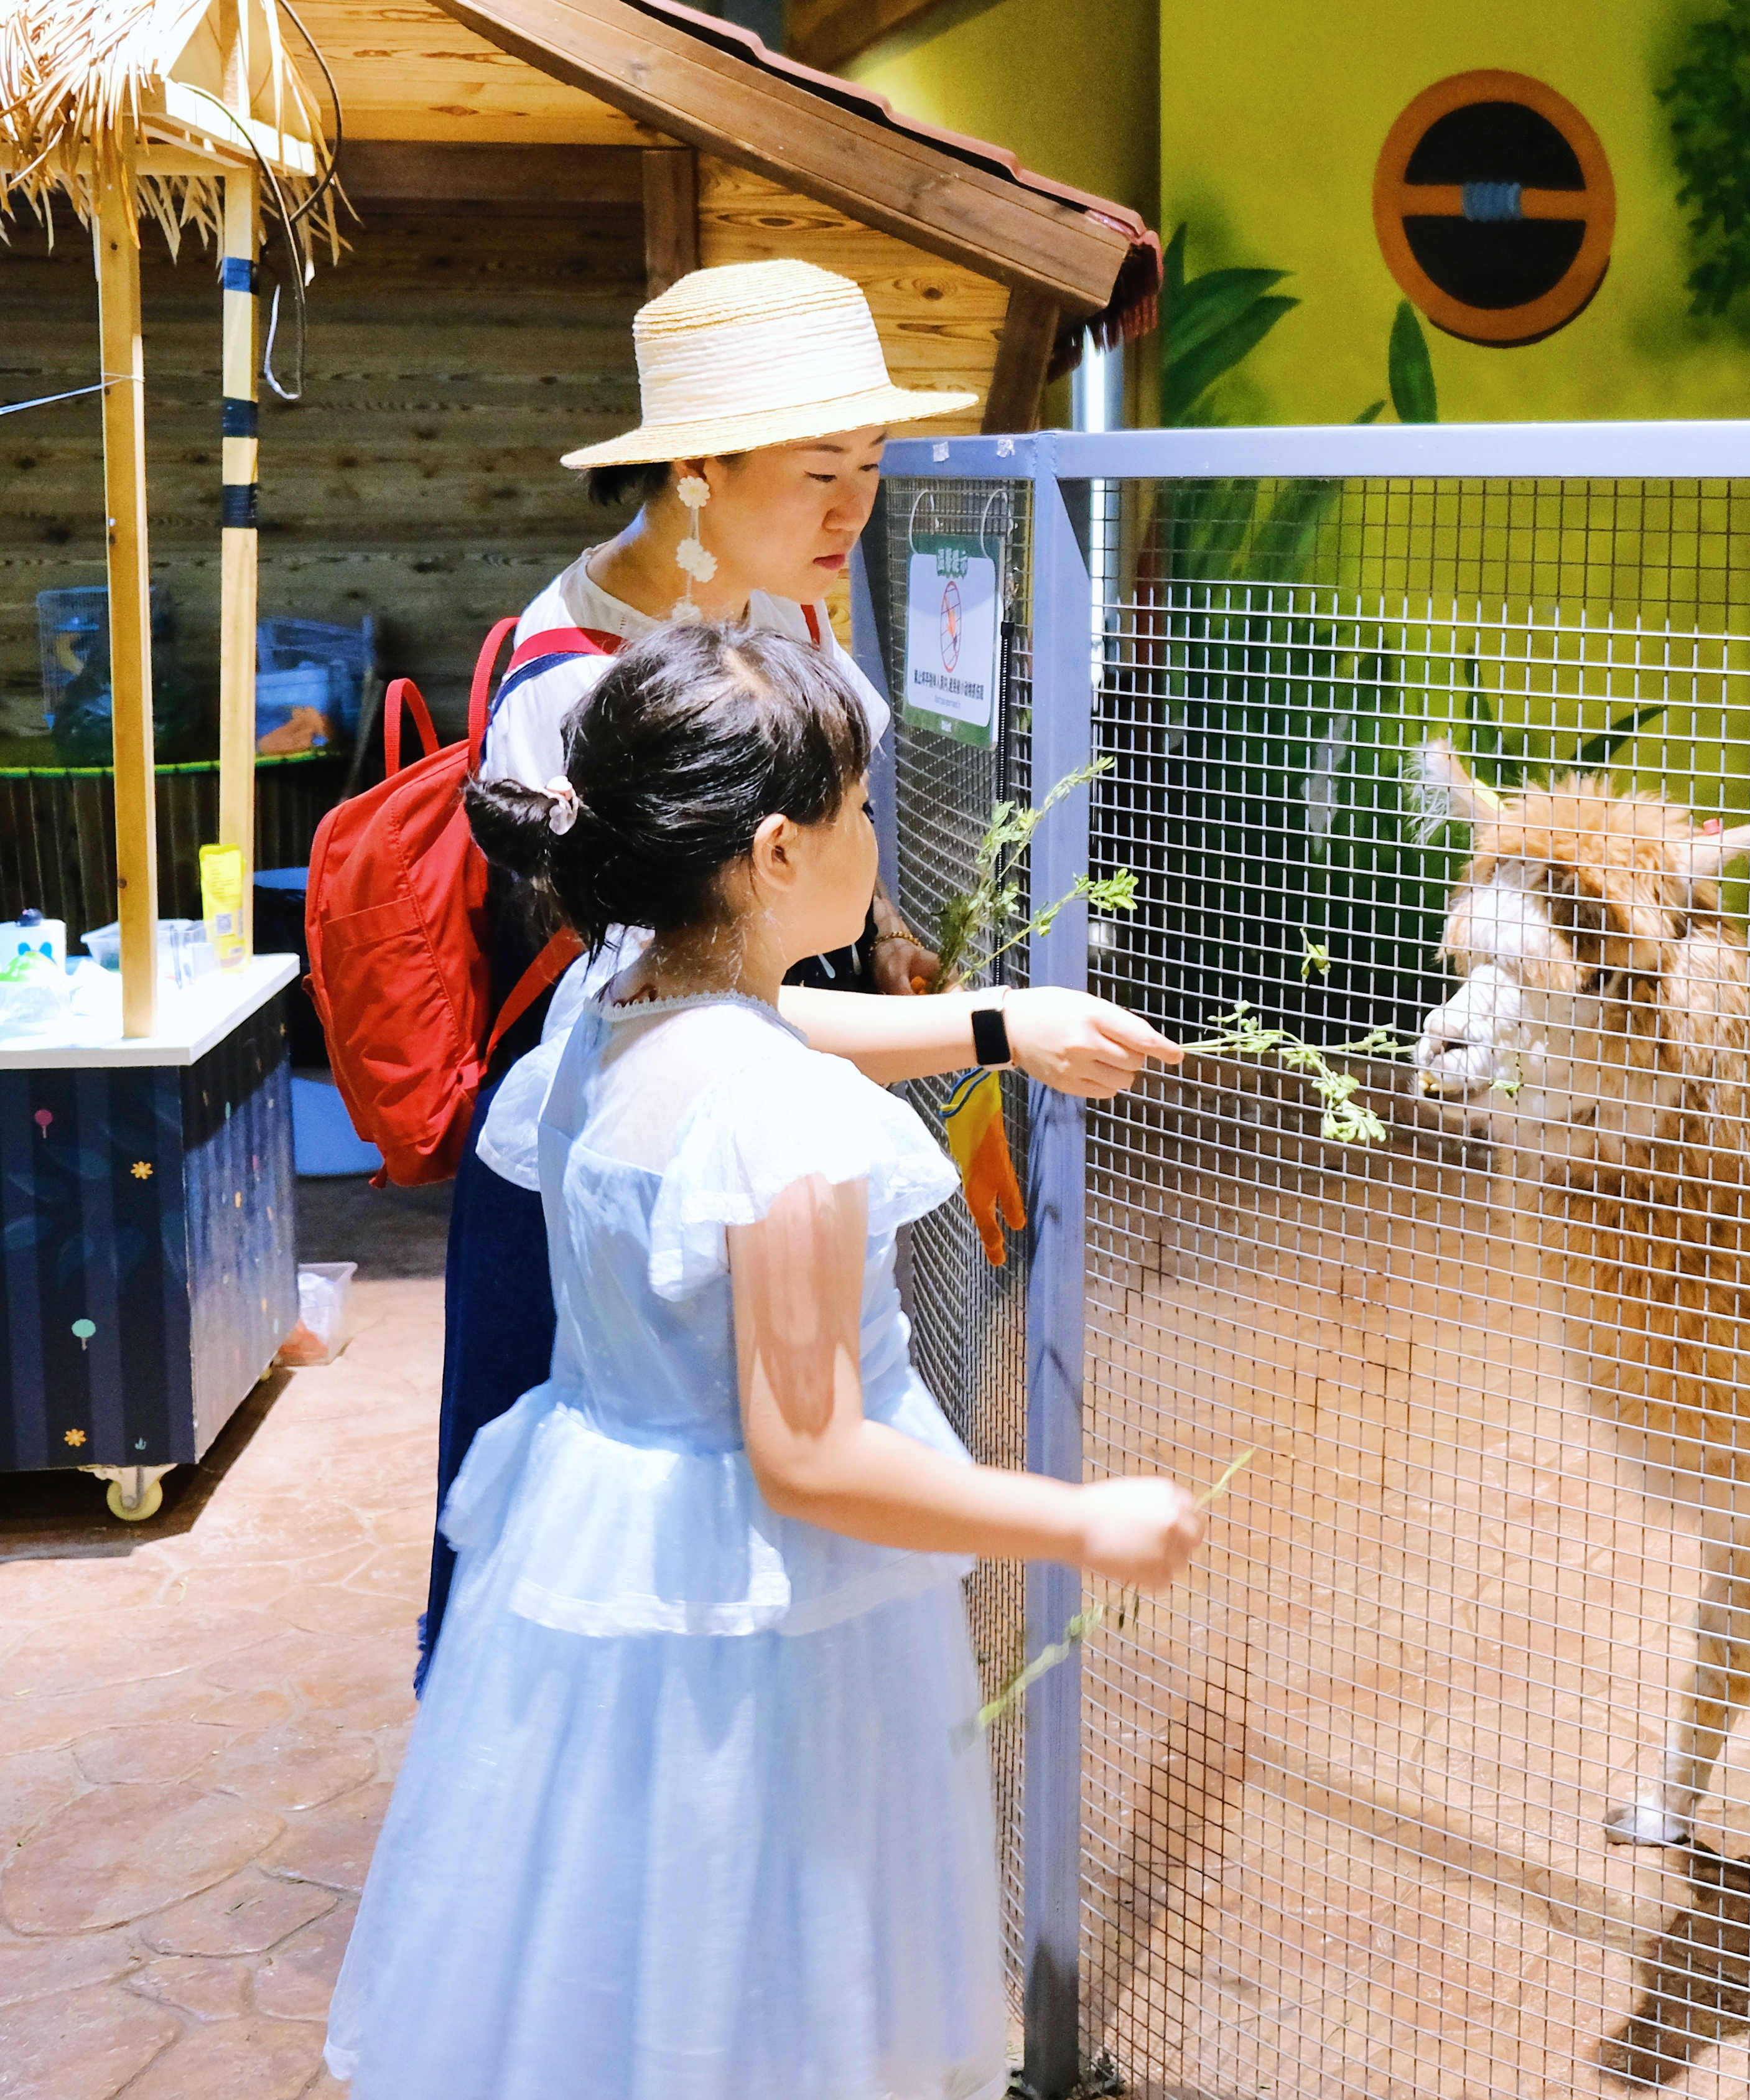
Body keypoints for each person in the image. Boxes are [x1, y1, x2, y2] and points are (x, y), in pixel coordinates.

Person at [325, 623, 1208, 2099]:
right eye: (861, 810)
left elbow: (775, 1015)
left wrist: (1003, 1025)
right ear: (782, 852)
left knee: (641, 1939)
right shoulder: (775, 1126)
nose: (874, 836)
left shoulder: (603, 1015)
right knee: (780, 1957)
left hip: (615, 1561)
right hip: (773, 1607)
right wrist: (1081, 1520)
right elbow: (808, 1451)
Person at [424, 256, 1156, 1683]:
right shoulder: (577, 688)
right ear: (694, 467)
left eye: (871, 468)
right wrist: (993, 1023)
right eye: (820, 471)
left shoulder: (785, 599)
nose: (852, 512)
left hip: (770, 1106)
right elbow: (689, 1020)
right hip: (628, 1178)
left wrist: (881, 938)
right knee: (628, 1604)